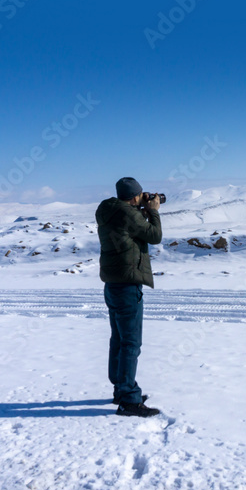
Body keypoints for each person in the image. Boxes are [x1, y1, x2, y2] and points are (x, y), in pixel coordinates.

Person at [95, 176, 163, 417]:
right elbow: (154, 236)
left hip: (113, 285)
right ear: (135, 196)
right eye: (141, 195)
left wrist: (141, 209)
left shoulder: (109, 211)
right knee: (131, 343)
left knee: (119, 340)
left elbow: (131, 230)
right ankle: (128, 400)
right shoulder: (128, 214)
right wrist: (153, 211)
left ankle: (121, 389)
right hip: (127, 285)